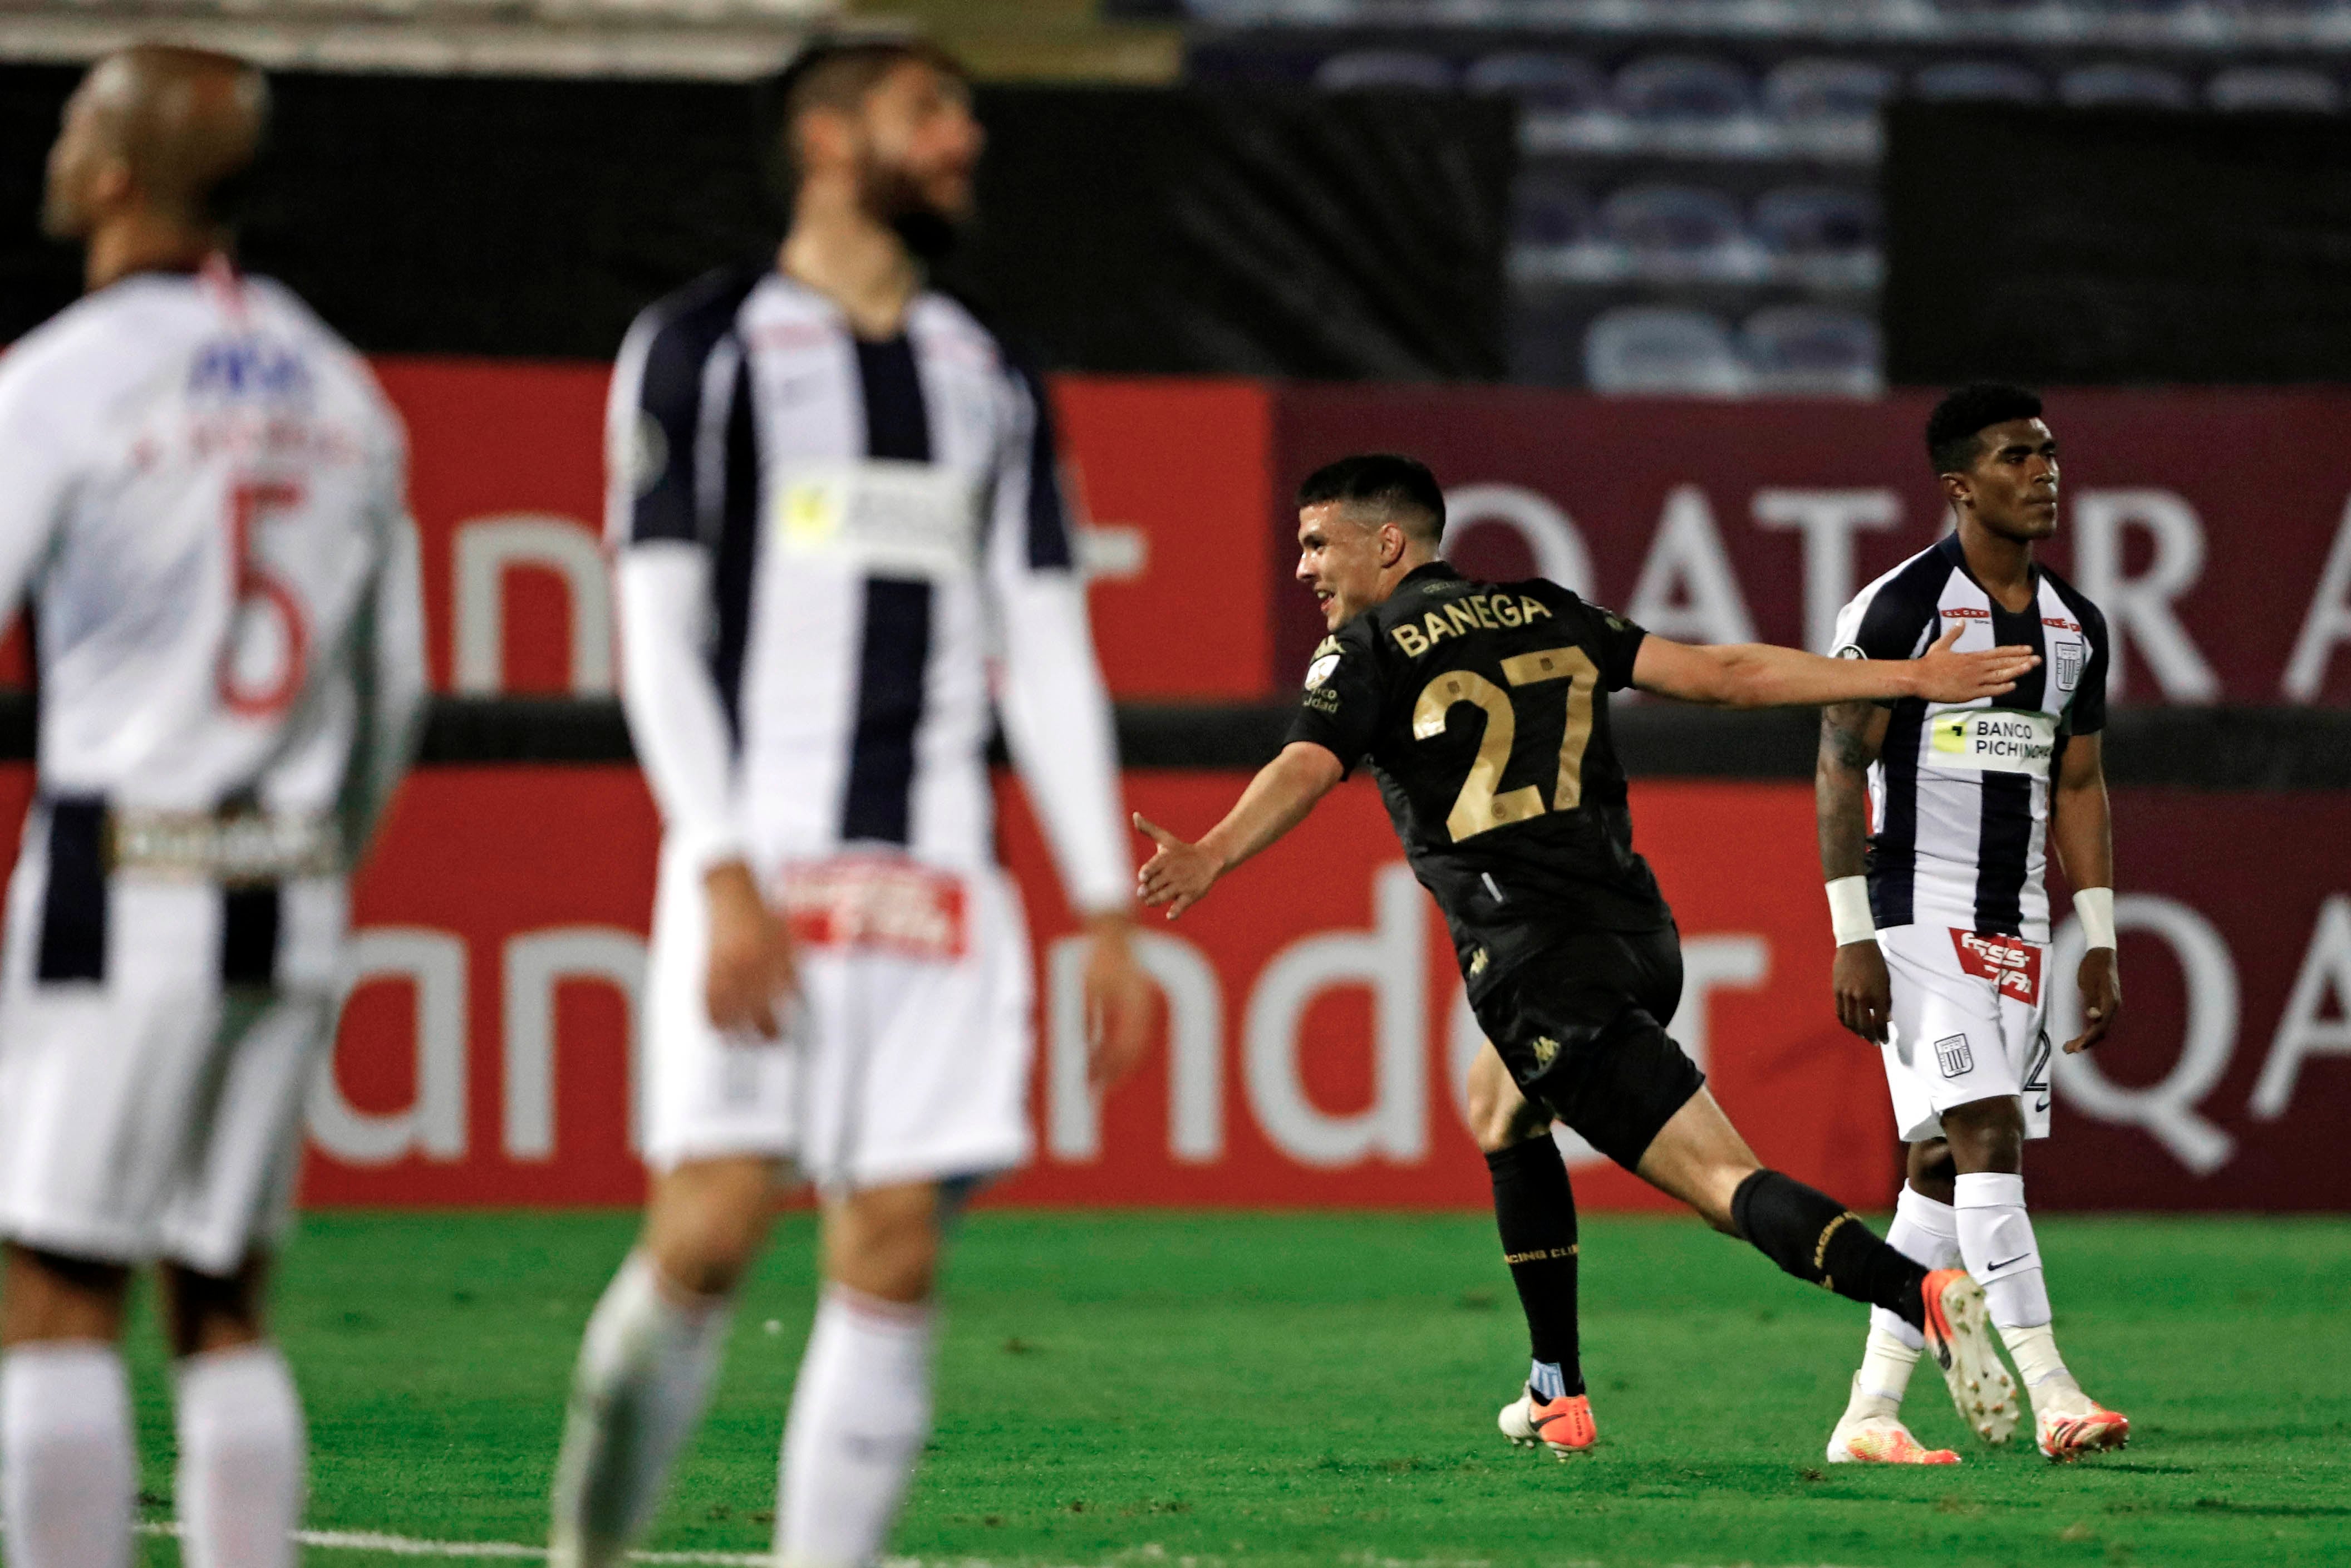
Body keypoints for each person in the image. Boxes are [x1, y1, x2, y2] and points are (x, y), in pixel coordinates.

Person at [548, 35, 1153, 1568]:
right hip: (771, 856)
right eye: (929, 111)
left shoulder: (988, 374)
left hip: (943, 878)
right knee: (707, 1231)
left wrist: (1101, 904)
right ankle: (587, 1553)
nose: (965, 141)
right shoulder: (706, 344)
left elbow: (1052, 648)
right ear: (829, 140)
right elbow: (659, 633)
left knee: (890, 1250)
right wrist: (723, 861)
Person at [1135, 454, 2038, 1458]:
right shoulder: (1544, 609)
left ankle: (1919, 1289)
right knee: (1499, 1106)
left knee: (1727, 1187)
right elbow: (1725, 675)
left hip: (1541, 970)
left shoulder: (1369, 647)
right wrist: (1909, 675)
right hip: (1639, 939)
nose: (1303, 567)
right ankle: (1556, 1386)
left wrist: (1214, 849)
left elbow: (1306, 763)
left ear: (1388, 542)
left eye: (1316, 542)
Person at [0, 45, 426, 1568]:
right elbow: (397, 692)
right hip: (287, 888)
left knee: (53, 1294)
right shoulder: (339, 388)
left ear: (115, 173)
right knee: (226, 1298)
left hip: (119, 881)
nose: (51, 146)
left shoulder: (59, 385)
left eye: (71, 124)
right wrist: (320, 859)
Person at [1815, 383, 2128, 1466]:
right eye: (2014, 456)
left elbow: (2080, 785)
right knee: (1988, 1130)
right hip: (1915, 911)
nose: (2043, 471)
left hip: (2021, 926)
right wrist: (1852, 927)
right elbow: (1837, 763)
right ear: (1959, 486)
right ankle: (2054, 1391)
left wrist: (2101, 935)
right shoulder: (1898, 610)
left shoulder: (2075, 627)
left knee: (1942, 1166)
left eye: (2047, 452)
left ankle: (1870, 1411)